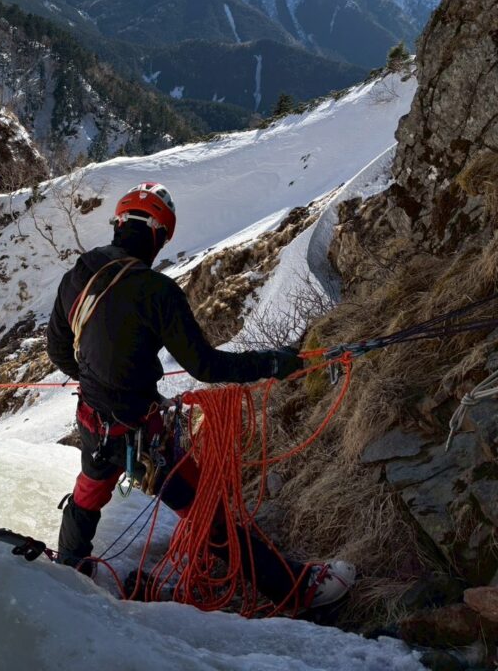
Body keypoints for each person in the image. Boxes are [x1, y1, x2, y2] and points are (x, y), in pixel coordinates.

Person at [46, 182, 354, 610]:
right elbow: (206, 367)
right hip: (141, 431)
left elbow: (59, 351)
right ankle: (293, 588)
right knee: (206, 510)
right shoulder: (156, 291)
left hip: (94, 422)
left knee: (88, 492)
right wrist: (274, 363)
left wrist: (101, 379)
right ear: (157, 234)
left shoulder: (76, 278)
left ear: (120, 224)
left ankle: (67, 567)